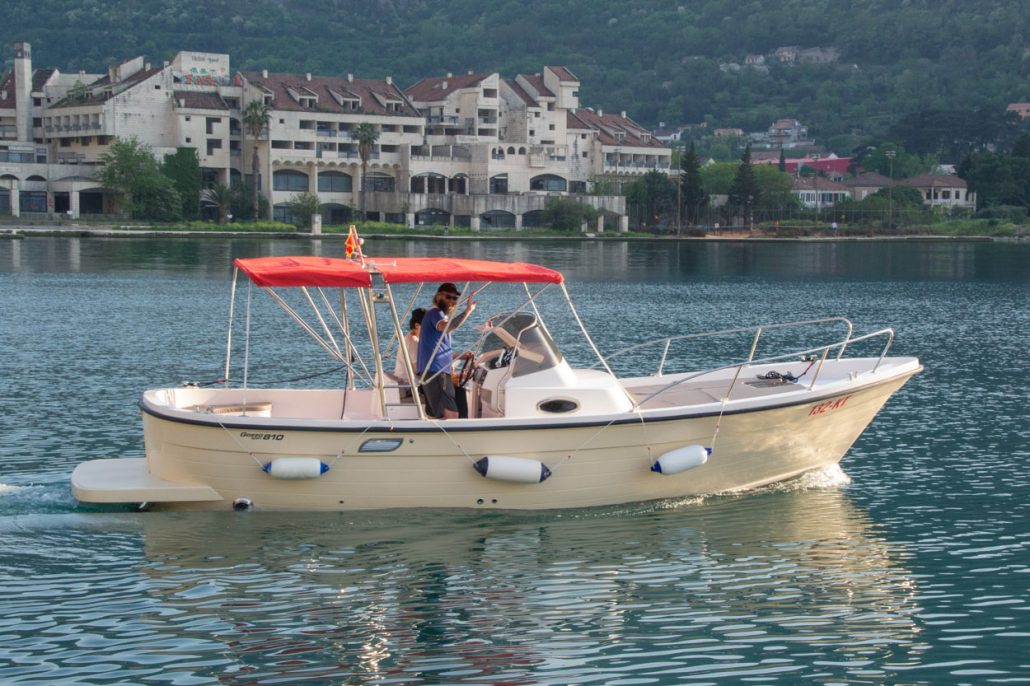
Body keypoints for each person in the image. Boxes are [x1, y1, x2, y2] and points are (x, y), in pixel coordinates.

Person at [416, 282, 476, 419]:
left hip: (434, 369)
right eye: (448, 297)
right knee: (451, 412)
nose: (451, 301)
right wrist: (468, 311)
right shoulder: (435, 313)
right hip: (436, 370)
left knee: (437, 412)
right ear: (438, 297)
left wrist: (459, 356)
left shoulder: (437, 315)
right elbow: (447, 327)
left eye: (454, 298)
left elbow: (437, 347)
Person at [394, 307, 425, 397]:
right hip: (409, 386)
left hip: (406, 382)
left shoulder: (408, 337)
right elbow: (417, 370)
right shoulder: (413, 342)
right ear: (417, 325)